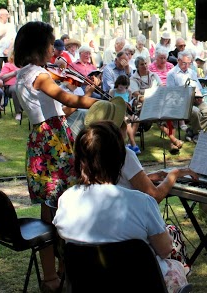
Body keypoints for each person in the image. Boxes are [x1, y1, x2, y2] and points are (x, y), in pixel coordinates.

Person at [52, 121, 190, 292]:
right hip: (138, 285)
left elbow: (63, 242)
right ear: (120, 159)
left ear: (80, 160)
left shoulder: (66, 200)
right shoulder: (142, 202)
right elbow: (165, 250)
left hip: (88, 285)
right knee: (175, 265)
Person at [13, 21, 99, 292]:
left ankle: (58, 272)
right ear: (39, 46)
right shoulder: (39, 75)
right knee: (59, 209)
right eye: (51, 44)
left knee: (50, 208)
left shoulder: (24, 73)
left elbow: (60, 111)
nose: (55, 49)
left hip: (43, 140)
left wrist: (86, 93)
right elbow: (68, 100)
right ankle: (54, 275)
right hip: (52, 143)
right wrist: (101, 103)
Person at [129, 56, 184, 153]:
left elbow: (161, 88)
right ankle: (174, 140)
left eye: (145, 63)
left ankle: (172, 144)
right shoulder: (133, 79)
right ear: (137, 66)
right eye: (142, 64)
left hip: (157, 104)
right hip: (141, 107)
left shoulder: (153, 75)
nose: (145, 66)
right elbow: (137, 95)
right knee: (159, 118)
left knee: (170, 116)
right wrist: (151, 101)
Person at [167, 51, 207, 142]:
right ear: (178, 61)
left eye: (189, 63)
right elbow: (171, 93)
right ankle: (197, 134)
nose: (186, 65)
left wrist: (199, 96)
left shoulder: (192, 72)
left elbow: (198, 87)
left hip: (195, 99)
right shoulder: (171, 74)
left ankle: (192, 131)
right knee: (195, 111)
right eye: (184, 63)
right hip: (181, 103)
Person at [0, 53, 23, 121]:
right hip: (10, 87)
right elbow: (2, 77)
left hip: (24, 85)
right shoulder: (7, 65)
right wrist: (14, 73)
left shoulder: (23, 65)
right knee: (15, 89)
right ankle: (18, 112)